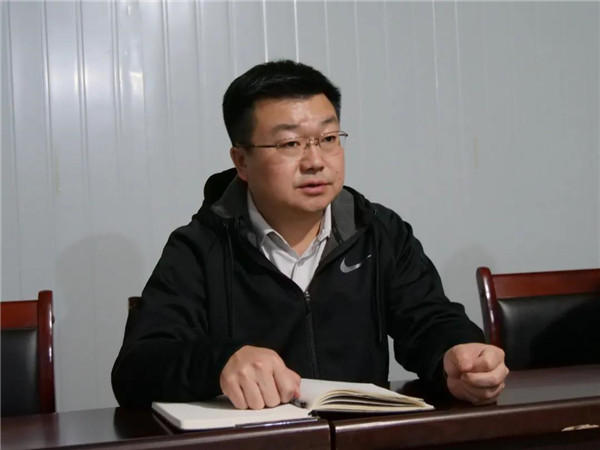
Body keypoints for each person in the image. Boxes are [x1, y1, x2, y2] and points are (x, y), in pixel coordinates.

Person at [112, 60, 508, 410]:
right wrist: (221, 362)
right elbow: (136, 368)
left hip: (361, 439)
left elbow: (429, 319)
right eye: (290, 143)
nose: (315, 161)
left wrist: (458, 353)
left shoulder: (378, 231)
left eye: (328, 139)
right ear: (241, 161)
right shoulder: (200, 246)